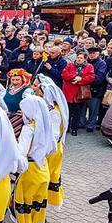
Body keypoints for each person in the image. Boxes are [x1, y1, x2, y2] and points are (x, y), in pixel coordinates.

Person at [10, 95, 55, 223]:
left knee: (23, 207)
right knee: (34, 206)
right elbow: (52, 150)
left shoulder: (29, 129)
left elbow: (20, 153)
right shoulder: (45, 126)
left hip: (29, 171)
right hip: (42, 170)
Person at [34, 75, 69, 209]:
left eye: (38, 89)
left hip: (51, 151)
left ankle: (40, 208)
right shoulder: (50, 109)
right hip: (50, 149)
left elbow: (53, 137)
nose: (36, 90)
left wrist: (41, 151)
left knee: (45, 178)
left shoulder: (54, 113)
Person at [61, 49, 95, 136]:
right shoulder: (70, 65)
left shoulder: (89, 66)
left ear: (85, 59)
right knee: (68, 111)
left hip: (79, 93)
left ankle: (74, 129)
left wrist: (80, 80)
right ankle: (66, 127)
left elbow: (91, 77)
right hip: (69, 91)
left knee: (77, 113)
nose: (79, 59)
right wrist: (75, 77)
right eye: (78, 57)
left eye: (81, 58)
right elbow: (64, 74)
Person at [80, 46, 107, 132]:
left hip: (95, 89)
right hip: (83, 88)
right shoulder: (85, 62)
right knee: (82, 107)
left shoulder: (101, 63)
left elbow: (99, 78)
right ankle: (82, 123)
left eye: (94, 53)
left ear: (98, 53)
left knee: (93, 109)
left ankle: (91, 125)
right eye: (90, 53)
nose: (91, 55)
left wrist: (86, 78)